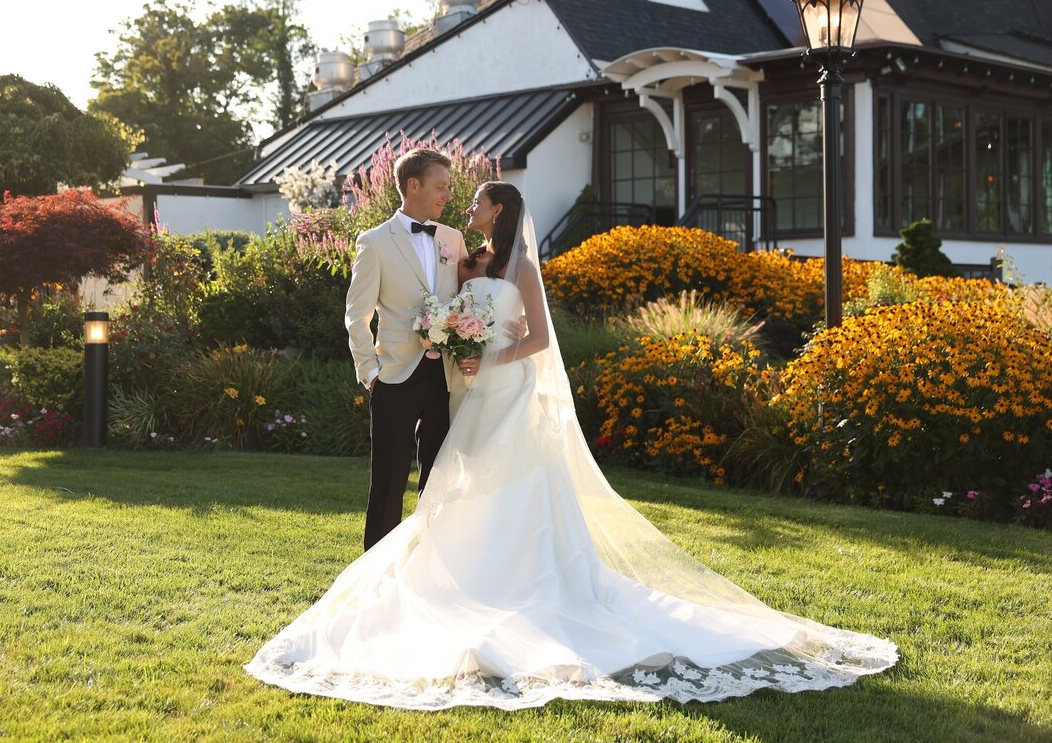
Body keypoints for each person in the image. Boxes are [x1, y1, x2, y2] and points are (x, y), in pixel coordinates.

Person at [248, 182, 898, 710]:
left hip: (507, 390)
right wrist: (455, 343)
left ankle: (520, 583)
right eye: (458, 197)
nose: (465, 207)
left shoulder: (520, 264)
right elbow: (440, 308)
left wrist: (487, 353)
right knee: (459, 485)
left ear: (500, 210)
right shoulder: (467, 257)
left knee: (511, 487)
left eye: (475, 201)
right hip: (468, 395)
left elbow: (537, 339)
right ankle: (452, 581)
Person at [344, 148, 468, 551]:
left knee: (439, 479)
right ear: (412, 186)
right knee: (389, 481)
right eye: (440, 186)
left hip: (445, 378)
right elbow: (356, 315)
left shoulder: (453, 239)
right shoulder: (375, 242)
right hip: (395, 375)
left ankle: (432, 564)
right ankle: (375, 576)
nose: (447, 195)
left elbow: (469, 298)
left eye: (448, 187)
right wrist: (372, 373)